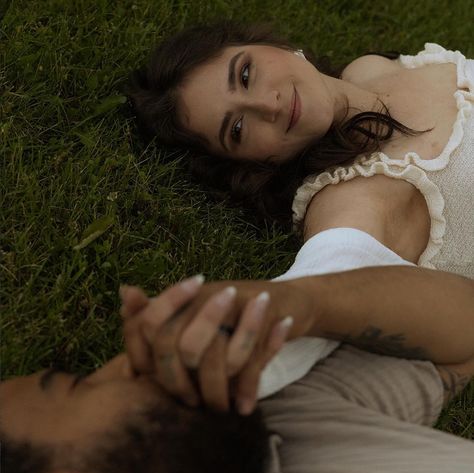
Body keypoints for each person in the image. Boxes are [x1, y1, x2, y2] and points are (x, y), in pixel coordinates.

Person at [2, 266, 474, 473]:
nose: (126, 365)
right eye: (79, 385)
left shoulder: (291, 434)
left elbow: (460, 344)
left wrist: (306, 303)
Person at [127, 22, 474, 394]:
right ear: (249, 163)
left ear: (271, 44)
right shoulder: (352, 199)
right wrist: (244, 331)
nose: (267, 105)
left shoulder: (369, 68)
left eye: (245, 75)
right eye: (238, 129)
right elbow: (328, 275)